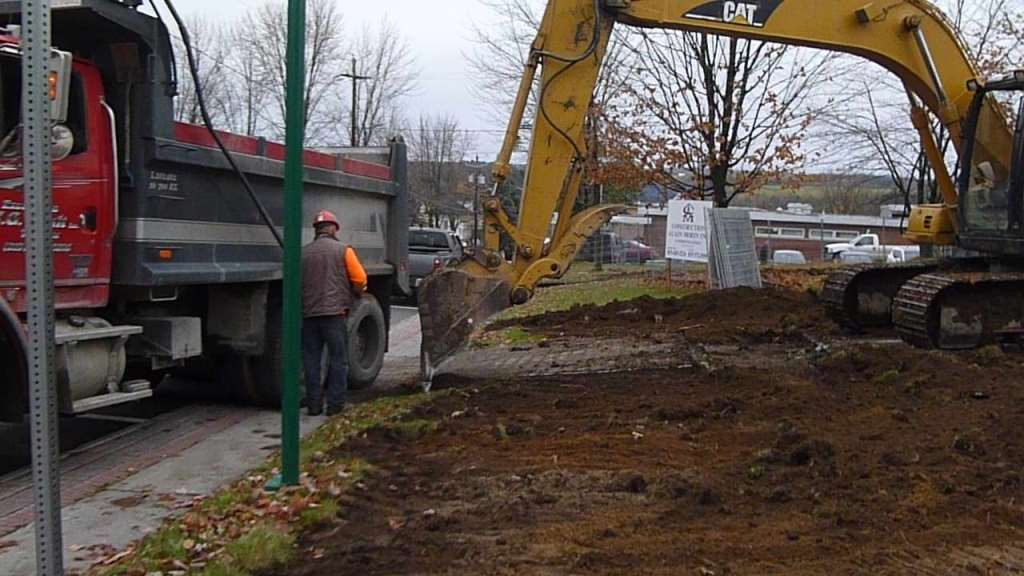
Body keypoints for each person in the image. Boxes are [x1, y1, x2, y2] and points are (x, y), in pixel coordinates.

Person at [302, 209, 368, 416]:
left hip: (309, 315)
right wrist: (356, 293)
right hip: (335, 315)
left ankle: (313, 405)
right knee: (338, 359)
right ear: (332, 229)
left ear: (316, 230)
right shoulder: (343, 250)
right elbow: (360, 279)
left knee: (312, 361)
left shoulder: (303, 253)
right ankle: (335, 405)